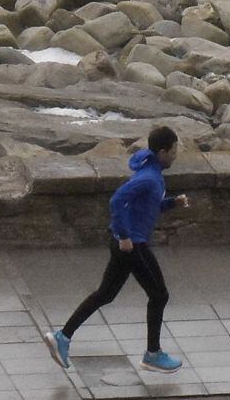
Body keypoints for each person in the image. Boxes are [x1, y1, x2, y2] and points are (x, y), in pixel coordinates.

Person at [46, 124, 192, 373]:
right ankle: (152, 354)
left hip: (128, 242)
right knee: (159, 295)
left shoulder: (152, 172)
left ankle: (62, 337)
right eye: (175, 150)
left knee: (106, 294)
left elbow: (147, 206)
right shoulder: (148, 177)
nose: (177, 155)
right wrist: (124, 236)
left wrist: (172, 204)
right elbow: (117, 200)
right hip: (131, 244)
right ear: (163, 151)